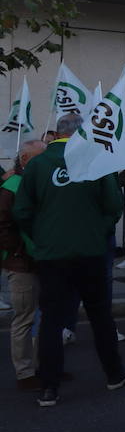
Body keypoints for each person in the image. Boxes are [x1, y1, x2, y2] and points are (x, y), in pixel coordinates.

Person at [13, 115, 125, 406]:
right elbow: (115, 207)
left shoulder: (37, 164)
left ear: (57, 133)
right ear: (82, 134)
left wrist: (40, 239)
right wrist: (97, 231)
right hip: (89, 251)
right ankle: (114, 374)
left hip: (51, 255)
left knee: (51, 319)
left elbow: (22, 212)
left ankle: (49, 387)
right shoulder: (95, 161)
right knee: (100, 315)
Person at [1, 140, 45, 390]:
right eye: (40, 156)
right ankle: (25, 373)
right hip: (22, 264)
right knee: (25, 317)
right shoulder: (11, 187)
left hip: (40, 260)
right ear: (26, 159)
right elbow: (3, 225)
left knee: (44, 316)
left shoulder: (34, 182)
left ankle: (45, 365)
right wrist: (19, 251)